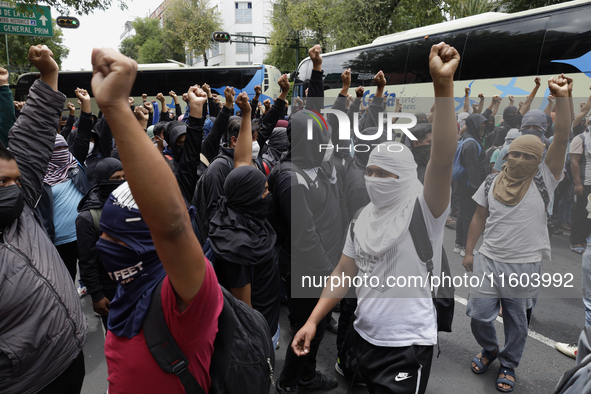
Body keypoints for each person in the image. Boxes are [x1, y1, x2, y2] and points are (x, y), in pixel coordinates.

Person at [290, 41, 460, 394]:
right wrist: (312, 319)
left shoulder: (423, 209)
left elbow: (442, 159)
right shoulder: (362, 219)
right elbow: (342, 273)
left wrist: (442, 87)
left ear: (407, 176)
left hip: (407, 346)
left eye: (386, 173)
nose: (374, 179)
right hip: (363, 338)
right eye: (371, 171)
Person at [90, 48, 222, 392]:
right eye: (106, 235)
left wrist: (116, 108)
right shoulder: (131, 288)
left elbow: (174, 229)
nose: (105, 245)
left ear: (150, 246)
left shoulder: (185, 298)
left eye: (118, 239)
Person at [462, 74, 571, 392]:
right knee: (479, 316)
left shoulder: (544, 179)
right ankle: (490, 348)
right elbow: (478, 219)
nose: (521, 159)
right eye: (516, 154)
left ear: (539, 160)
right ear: (507, 155)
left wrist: (562, 98)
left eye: (529, 156)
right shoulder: (491, 181)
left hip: (524, 265)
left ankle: (508, 364)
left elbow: (562, 136)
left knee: (516, 322)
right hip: (489, 260)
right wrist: (469, 252)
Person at [0, 46, 87, 394]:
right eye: (0, 183)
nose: (12, 189)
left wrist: (49, 74)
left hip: (69, 357)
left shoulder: (20, 209)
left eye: (15, 180)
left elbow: (32, 137)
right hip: (26, 384)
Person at [209, 92, 281, 347]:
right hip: (259, 332)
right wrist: (259, 345)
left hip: (270, 318)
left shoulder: (236, 208)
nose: (268, 194)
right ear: (249, 197)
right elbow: (244, 310)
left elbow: (241, 160)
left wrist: (247, 113)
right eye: (263, 191)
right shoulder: (238, 245)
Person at [76, 157, 125, 330]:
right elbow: (87, 261)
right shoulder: (88, 219)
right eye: (116, 178)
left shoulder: (133, 204)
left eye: (123, 177)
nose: (122, 182)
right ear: (103, 181)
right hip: (110, 288)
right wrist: (97, 295)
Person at [454, 113, 487, 257]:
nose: (483, 127)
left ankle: (459, 244)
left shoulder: (467, 139)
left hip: (463, 184)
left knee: (463, 214)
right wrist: (477, 188)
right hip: (470, 185)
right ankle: (467, 248)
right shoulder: (472, 144)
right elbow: (472, 168)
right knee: (469, 216)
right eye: (481, 124)